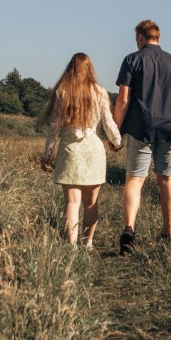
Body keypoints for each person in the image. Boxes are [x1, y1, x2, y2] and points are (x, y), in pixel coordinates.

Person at [113, 19, 171, 254]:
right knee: (166, 179)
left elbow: (124, 99)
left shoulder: (132, 60)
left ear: (140, 36)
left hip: (141, 127)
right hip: (170, 128)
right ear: (158, 37)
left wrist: (116, 130)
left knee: (134, 179)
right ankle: (167, 233)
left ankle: (129, 229)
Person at [38, 53, 121, 249]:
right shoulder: (100, 91)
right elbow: (108, 123)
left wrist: (47, 155)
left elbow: (54, 128)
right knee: (91, 203)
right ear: (90, 69)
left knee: (72, 202)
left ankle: (72, 246)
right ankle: (88, 243)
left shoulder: (62, 91)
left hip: (70, 150)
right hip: (93, 149)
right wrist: (117, 142)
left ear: (71, 68)